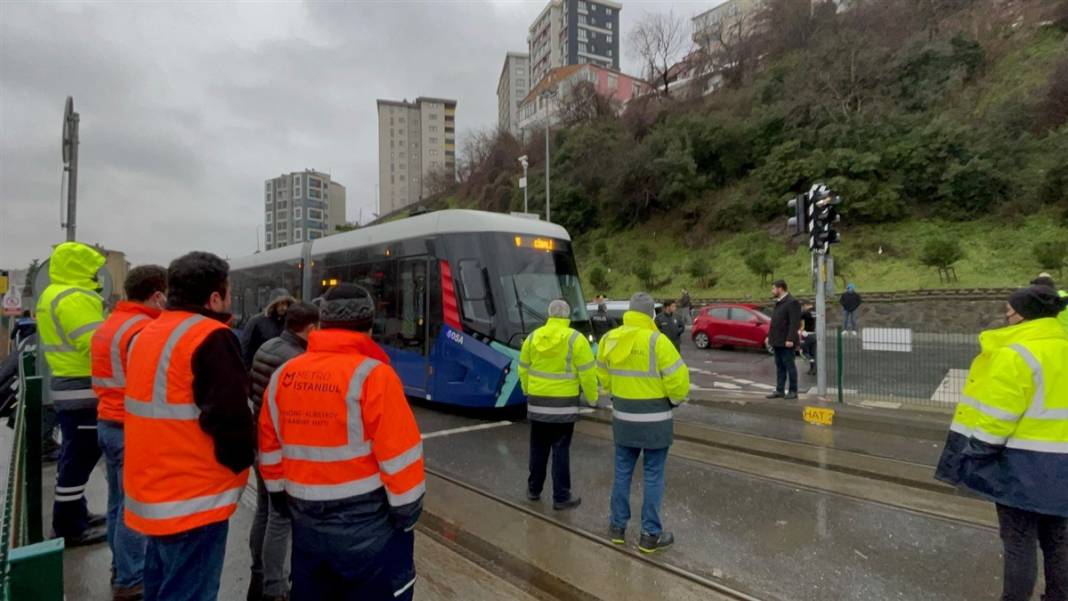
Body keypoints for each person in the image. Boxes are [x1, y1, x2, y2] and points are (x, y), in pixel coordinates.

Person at [259, 284, 424, 601]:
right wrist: (406, 517)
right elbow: (401, 458)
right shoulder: (375, 375)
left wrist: (283, 500)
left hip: (306, 524)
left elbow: (270, 448)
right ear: (370, 324)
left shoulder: (284, 375)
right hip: (368, 525)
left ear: (321, 323)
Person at [124, 251, 255, 601]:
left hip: (152, 489)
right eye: (227, 292)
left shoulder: (146, 333)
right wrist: (241, 463)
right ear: (214, 298)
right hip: (193, 497)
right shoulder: (211, 336)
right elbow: (230, 418)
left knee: (160, 585)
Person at [935, 285, 1068, 601]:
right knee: (1059, 541)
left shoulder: (1015, 353)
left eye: (1008, 312)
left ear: (1020, 315)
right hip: (1063, 464)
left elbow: (998, 417)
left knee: (1019, 543)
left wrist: (977, 451)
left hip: (1023, 464)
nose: (1006, 318)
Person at [91, 265, 167, 601]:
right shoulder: (143, 330)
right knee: (133, 508)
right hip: (130, 427)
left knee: (116, 502)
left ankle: (120, 565)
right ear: (156, 295)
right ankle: (131, 577)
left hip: (107, 420)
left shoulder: (110, 325)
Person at [597, 292, 689, 553]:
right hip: (655, 420)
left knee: (622, 472)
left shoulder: (609, 339)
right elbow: (678, 380)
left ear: (629, 312)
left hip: (623, 418)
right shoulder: (657, 341)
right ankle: (650, 534)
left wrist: (616, 393)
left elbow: (602, 376)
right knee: (653, 475)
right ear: (650, 314)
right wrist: (673, 400)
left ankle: (617, 528)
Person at [35, 241, 108, 547]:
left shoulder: (53, 293)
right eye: (93, 269)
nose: (98, 275)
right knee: (80, 457)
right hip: (82, 387)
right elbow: (98, 343)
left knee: (74, 455)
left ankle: (77, 513)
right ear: (81, 268)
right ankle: (68, 527)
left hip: (69, 384)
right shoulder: (75, 297)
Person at [246, 301, 319, 601]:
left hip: (259, 441)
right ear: (311, 329)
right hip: (279, 449)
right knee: (281, 517)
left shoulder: (269, 346)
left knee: (265, 510)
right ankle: (274, 588)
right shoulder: (297, 360)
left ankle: (259, 571)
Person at [518, 300, 597, 511]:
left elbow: (523, 368)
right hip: (564, 407)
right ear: (567, 316)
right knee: (560, 449)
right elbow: (588, 373)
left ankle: (533, 489)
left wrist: (528, 391)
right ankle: (561, 497)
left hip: (537, 404)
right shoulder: (576, 339)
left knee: (537, 447)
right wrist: (592, 398)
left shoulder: (533, 337)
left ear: (549, 315)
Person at [240, 288, 295, 368]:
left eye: (286, 304)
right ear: (273, 304)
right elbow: (245, 348)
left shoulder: (289, 322)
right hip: (259, 369)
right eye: (281, 304)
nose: (284, 308)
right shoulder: (257, 321)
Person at [765, 280, 801, 400]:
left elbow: (794, 323)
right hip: (777, 341)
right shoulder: (779, 302)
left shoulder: (792, 302)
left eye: (773, 289)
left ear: (780, 289)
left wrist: (790, 339)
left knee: (790, 366)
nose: (772, 291)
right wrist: (769, 337)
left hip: (786, 341)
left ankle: (793, 391)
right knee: (780, 366)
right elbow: (775, 322)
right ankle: (780, 390)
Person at [800, 302, 817, 376]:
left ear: (806, 305)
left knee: (804, 352)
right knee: (812, 353)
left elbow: (798, 318)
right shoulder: (815, 311)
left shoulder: (806, 312)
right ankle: (813, 369)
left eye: (803, 306)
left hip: (807, 335)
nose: (803, 308)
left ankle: (812, 365)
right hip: (814, 334)